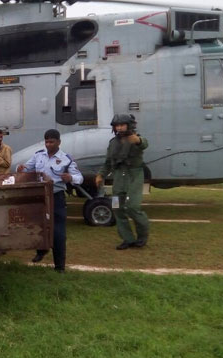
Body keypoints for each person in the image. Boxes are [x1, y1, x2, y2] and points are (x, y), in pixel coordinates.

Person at [17, 129, 83, 273]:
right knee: (38, 226)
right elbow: (27, 168)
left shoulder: (66, 159)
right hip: (40, 196)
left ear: (59, 142)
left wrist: (70, 178)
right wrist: (21, 168)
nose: (48, 144)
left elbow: (79, 177)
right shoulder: (38, 155)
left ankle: (59, 266)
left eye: (51, 142)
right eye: (46, 141)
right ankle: (41, 250)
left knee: (58, 232)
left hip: (56, 197)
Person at [95, 114, 150, 250]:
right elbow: (108, 162)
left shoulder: (136, 139)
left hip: (134, 176)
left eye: (122, 124)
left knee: (132, 207)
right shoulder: (113, 142)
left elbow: (144, 143)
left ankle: (142, 237)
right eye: (117, 125)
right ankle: (127, 239)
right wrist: (101, 174)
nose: (119, 127)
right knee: (116, 207)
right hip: (119, 177)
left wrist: (137, 140)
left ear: (129, 125)